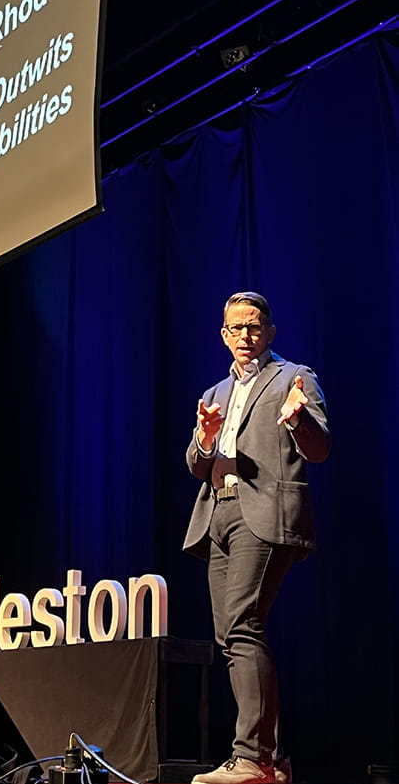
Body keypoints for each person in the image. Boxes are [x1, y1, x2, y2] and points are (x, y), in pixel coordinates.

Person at [184, 291, 330, 784]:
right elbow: (195, 463)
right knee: (230, 635)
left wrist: (298, 417)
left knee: (243, 625)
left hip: (262, 513)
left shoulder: (293, 377)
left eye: (254, 327)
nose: (245, 337)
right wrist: (204, 438)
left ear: (269, 332)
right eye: (235, 329)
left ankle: (254, 758)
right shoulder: (215, 392)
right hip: (216, 515)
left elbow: (320, 446)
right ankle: (272, 760)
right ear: (223, 336)